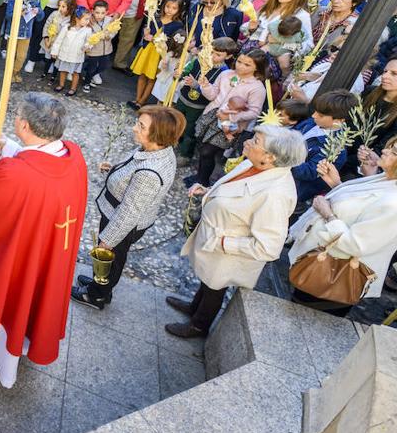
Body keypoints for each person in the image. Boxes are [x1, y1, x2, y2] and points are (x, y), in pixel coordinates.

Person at [0, 93, 88, 387]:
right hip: (48, 248)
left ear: (25, 126)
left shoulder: (17, 175)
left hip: (13, 258)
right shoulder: (73, 156)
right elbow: (37, 164)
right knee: (34, 297)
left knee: (4, 301)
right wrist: (11, 149)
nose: (15, 119)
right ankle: (25, 341)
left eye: (17, 116)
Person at [168, 125, 305, 338]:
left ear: (270, 157)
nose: (248, 141)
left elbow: (269, 247)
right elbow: (234, 190)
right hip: (216, 241)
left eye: (256, 141)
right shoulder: (255, 164)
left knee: (216, 286)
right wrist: (208, 191)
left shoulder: (275, 195)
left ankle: (199, 325)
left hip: (228, 252)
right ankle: (194, 306)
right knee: (208, 280)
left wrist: (223, 243)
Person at [72, 106, 184, 309]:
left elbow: (129, 212)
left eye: (141, 126)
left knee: (111, 259)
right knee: (111, 259)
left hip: (122, 223)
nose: (134, 128)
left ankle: (98, 295)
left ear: (157, 133)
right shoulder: (155, 150)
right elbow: (133, 171)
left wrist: (108, 240)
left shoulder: (150, 173)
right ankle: (99, 283)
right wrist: (115, 171)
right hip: (119, 216)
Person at [287, 142, 397, 315]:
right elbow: (358, 212)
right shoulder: (386, 180)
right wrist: (337, 184)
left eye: (394, 152)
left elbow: (356, 244)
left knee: (302, 318)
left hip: (335, 273)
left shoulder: (394, 204)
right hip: (322, 261)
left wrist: (328, 214)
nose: (384, 151)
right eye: (390, 146)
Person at [186, 49, 269, 187]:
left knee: (208, 152)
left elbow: (254, 112)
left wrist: (231, 115)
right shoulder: (226, 74)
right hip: (211, 115)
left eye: (247, 65)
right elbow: (213, 95)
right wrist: (205, 86)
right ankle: (199, 176)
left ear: (257, 67)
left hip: (229, 124)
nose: (240, 66)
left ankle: (203, 182)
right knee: (202, 147)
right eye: (239, 61)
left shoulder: (257, 87)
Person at [289, 89, 357, 206]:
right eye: (315, 111)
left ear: (339, 120)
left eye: (320, 115)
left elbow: (308, 172)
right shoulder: (312, 122)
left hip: (293, 188)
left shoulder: (335, 149)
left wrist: (283, 157)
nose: (313, 115)